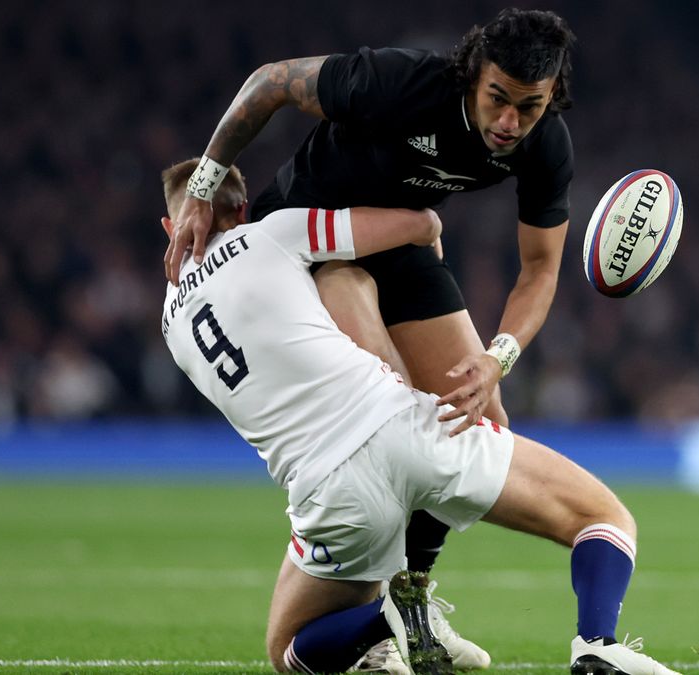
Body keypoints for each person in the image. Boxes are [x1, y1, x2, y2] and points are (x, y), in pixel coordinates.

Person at [158, 159, 681, 675]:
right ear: (242, 208)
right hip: (408, 427)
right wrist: (419, 241)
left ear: (170, 227)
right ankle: (597, 644)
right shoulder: (269, 234)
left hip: (326, 489)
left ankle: (389, 618)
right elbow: (417, 223)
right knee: (602, 519)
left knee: (289, 647)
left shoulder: (170, 322)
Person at [166, 10, 577, 664]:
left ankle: (407, 601)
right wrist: (204, 186)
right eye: (498, 99)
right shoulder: (400, 82)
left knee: (476, 419)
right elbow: (271, 81)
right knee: (388, 398)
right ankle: (367, 600)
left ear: (550, 96)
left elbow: (541, 268)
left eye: (528, 107)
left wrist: (499, 357)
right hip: (314, 240)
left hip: (401, 243)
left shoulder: (545, 144)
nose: (508, 122)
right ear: (474, 75)